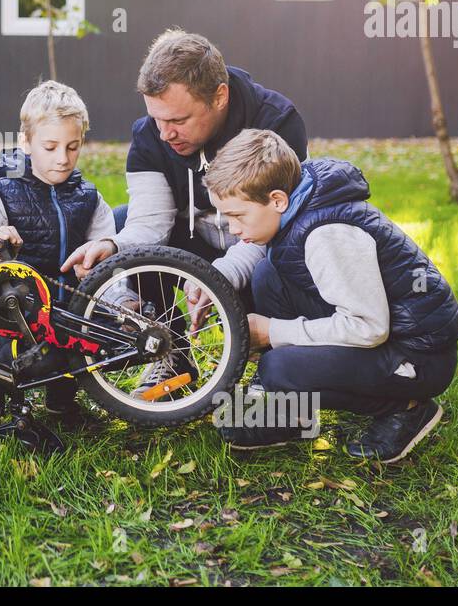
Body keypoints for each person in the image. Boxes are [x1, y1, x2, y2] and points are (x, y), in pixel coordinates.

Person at [61, 29, 308, 397]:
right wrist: (113, 246)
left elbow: (276, 224)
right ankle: (171, 352)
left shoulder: (276, 122)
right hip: (195, 241)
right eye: (157, 119)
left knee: (279, 260)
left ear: (219, 96)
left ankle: (271, 360)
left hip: (264, 243)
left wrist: (219, 278)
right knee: (124, 224)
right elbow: (150, 223)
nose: (165, 134)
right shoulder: (150, 136)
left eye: (178, 120)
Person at [203, 129, 458, 462]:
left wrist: (272, 332)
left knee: (278, 367)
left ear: (278, 200)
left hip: (418, 357)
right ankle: (294, 414)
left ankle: (406, 409)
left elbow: (368, 327)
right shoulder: (300, 209)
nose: (233, 228)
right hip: (388, 334)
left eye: (238, 216)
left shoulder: (327, 235)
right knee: (269, 275)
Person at [0, 81, 116, 423]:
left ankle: (62, 400)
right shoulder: (2, 195)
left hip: (72, 313)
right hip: (17, 318)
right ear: (26, 142)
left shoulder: (89, 198)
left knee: (112, 344)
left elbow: (111, 264)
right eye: (51, 147)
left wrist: (97, 266)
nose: (63, 158)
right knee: (42, 354)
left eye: (73, 147)